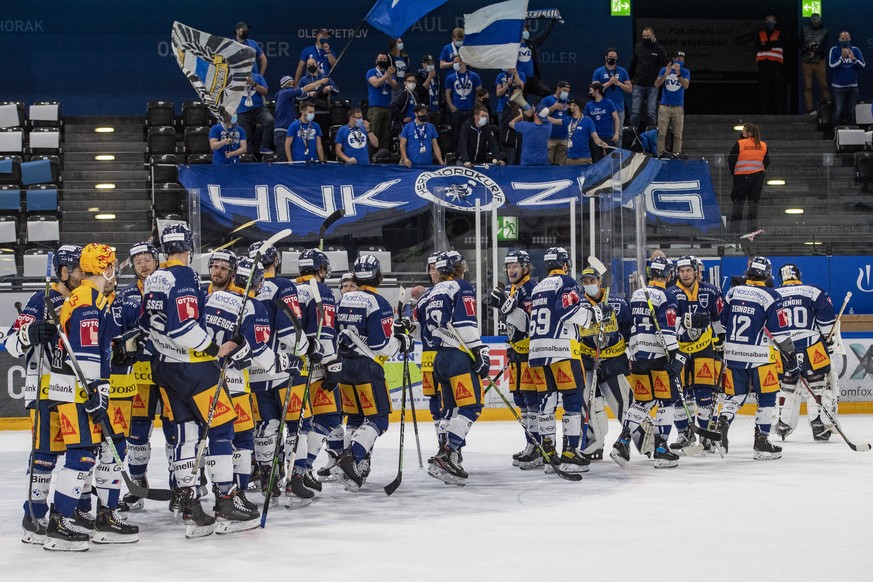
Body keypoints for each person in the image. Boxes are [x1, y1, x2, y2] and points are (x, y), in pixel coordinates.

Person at [142, 224, 256, 537]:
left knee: (185, 437)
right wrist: (216, 347)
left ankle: (190, 505)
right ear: (188, 246)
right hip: (193, 368)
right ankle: (226, 502)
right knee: (221, 430)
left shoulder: (153, 277)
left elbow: (146, 326)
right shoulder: (184, 276)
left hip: (165, 368)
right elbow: (182, 328)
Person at [40, 244, 125, 551]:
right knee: (82, 454)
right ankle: (59, 522)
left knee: (100, 448)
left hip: (76, 388)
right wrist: (98, 391)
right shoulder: (87, 299)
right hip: (77, 390)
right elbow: (86, 351)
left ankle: (93, 515)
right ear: (106, 267)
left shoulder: (87, 297)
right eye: (112, 265)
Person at [5, 245, 81, 544]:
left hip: (73, 390)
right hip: (45, 387)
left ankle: (73, 510)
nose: (82, 274)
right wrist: (29, 333)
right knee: (45, 455)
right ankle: (34, 513)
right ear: (63, 271)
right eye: (77, 270)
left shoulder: (80, 299)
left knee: (78, 451)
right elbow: (12, 342)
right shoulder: (42, 299)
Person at [201, 253, 276, 512]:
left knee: (211, 438)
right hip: (234, 383)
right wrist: (283, 366)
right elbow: (260, 352)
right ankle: (235, 495)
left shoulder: (208, 297)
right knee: (241, 438)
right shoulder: (253, 306)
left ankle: (212, 493)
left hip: (206, 379)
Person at [332, 255, 410, 491]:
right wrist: (402, 341)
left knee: (355, 417)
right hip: (367, 367)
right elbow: (380, 345)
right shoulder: (378, 302)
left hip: (344, 365)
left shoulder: (343, 300)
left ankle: (354, 464)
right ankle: (351, 458)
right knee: (378, 418)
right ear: (378, 275)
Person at [528, 247, 606, 475]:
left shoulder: (538, 286)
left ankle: (548, 453)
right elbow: (567, 311)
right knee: (572, 400)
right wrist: (592, 315)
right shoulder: (566, 282)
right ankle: (571, 451)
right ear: (565, 264)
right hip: (562, 350)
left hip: (537, 352)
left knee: (546, 402)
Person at [717, 257, 798, 460]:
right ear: (768, 275)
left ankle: (723, 422)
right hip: (760, 356)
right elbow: (779, 333)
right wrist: (791, 355)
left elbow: (723, 323)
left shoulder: (733, 292)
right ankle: (761, 442)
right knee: (767, 396)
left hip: (733, 353)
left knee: (735, 396)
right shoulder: (771, 296)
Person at [420, 250, 488, 485]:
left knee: (449, 411)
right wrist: (479, 350)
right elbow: (466, 323)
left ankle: (450, 457)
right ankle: (448, 454)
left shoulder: (431, 293)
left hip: (438, 358)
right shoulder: (461, 287)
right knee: (472, 407)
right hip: (458, 357)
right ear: (456, 267)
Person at [246, 241, 306, 504]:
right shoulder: (283, 285)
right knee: (295, 426)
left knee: (267, 425)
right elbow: (289, 330)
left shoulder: (242, 287)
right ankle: (295, 481)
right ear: (276, 261)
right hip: (283, 369)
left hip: (253, 371)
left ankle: (267, 478)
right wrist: (306, 347)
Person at [610, 256, 684, 469]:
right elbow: (667, 330)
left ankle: (622, 441)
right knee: (666, 402)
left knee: (642, 401)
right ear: (669, 275)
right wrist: (676, 356)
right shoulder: (667, 296)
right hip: (659, 356)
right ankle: (661, 448)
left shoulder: (636, 294)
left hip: (638, 355)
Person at [116, 242, 171, 514]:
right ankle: (136, 483)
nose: (144, 265)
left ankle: (182, 486)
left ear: (157, 259)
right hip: (140, 375)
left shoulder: (171, 288)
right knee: (136, 433)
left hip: (172, 369)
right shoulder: (125, 296)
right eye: (138, 262)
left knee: (176, 430)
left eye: (148, 259)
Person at [286, 249, 341, 505]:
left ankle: (291, 471)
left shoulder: (287, 288)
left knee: (292, 423)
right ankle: (299, 471)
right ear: (321, 269)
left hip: (284, 365)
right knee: (321, 418)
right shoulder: (322, 291)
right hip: (313, 366)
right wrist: (331, 363)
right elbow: (324, 332)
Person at [773, 263, 838, 442]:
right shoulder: (813, 291)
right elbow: (826, 317)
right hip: (811, 344)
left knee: (786, 386)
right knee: (817, 385)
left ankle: (782, 423)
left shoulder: (774, 294)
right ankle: (819, 424)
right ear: (798, 275)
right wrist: (828, 338)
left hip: (784, 347)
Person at [667, 256, 725, 455]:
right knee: (679, 395)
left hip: (703, 348)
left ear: (696, 271)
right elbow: (668, 321)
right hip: (680, 349)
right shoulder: (671, 293)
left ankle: (707, 433)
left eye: (688, 270)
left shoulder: (711, 291)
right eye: (681, 270)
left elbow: (718, 320)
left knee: (704, 394)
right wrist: (685, 321)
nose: (685, 274)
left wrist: (720, 341)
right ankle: (684, 433)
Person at [488, 250, 540, 468]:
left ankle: (538, 446)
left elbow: (530, 321)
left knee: (531, 400)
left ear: (526, 268)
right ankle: (531, 443)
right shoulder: (513, 289)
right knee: (520, 400)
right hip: (517, 353)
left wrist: (508, 303)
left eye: (514, 266)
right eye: (508, 266)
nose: (510, 270)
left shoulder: (531, 289)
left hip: (530, 354)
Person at [577, 266, 635, 461]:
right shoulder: (578, 305)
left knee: (624, 404)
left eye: (592, 281)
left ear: (600, 282)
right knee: (586, 401)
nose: (589, 285)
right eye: (585, 282)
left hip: (613, 360)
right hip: (586, 360)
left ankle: (648, 442)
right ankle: (593, 444)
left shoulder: (618, 303)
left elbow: (629, 330)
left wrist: (628, 353)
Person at [272, 76, 328, 162]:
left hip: (287, 131)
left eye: (292, 84)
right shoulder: (284, 93)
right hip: (282, 131)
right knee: (282, 161)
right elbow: (306, 88)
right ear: (283, 85)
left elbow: (299, 97)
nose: (291, 86)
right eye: (289, 84)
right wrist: (320, 81)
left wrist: (309, 94)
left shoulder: (288, 98)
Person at [728, 123, 770, 234]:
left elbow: (731, 159)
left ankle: (734, 231)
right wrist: (760, 170)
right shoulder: (763, 145)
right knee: (753, 204)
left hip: (741, 177)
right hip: (757, 178)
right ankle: (752, 230)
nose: (742, 133)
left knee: (738, 203)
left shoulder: (740, 144)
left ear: (749, 133)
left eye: (744, 131)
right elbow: (767, 161)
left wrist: (734, 172)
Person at [628, 27, 668, 130]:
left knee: (651, 112)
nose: (645, 38)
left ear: (653, 36)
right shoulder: (638, 47)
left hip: (653, 84)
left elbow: (665, 63)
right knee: (635, 111)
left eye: (648, 36)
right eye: (644, 36)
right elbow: (634, 63)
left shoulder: (658, 49)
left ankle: (651, 133)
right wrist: (629, 78)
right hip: (638, 83)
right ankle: (633, 133)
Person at [548, 99, 607, 165]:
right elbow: (554, 121)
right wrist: (542, 114)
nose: (569, 107)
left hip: (584, 159)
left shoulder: (588, 121)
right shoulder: (568, 120)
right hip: (569, 159)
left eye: (571, 105)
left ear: (576, 107)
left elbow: (596, 139)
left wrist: (602, 143)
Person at [654, 51, 690, 156]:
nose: (680, 61)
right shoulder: (664, 70)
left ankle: (676, 154)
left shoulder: (685, 71)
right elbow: (656, 84)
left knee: (678, 134)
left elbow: (686, 85)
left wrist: (678, 74)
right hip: (665, 106)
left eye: (682, 60)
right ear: (674, 59)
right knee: (661, 133)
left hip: (678, 107)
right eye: (678, 59)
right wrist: (666, 74)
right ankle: (660, 154)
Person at [829, 31, 866, 125]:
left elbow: (862, 65)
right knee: (838, 110)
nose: (845, 40)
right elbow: (831, 65)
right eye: (843, 39)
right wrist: (842, 57)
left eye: (847, 39)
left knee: (851, 111)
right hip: (838, 87)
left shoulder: (856, 50)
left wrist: (853, 59)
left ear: (850, 39)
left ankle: (853, 134)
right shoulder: (834, 49)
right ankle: (833, 133)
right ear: (839, 39)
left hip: (852, 86)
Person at [517, 19, 560, 98]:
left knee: (546, 91)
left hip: (532, 79)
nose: (527, 31)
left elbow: (544, 35)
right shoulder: (513, 46)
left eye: (527, 30)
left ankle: (537, 108)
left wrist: (553, 21)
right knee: (521, 103)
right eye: (524, 30)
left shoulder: (531, 44)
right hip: (519, 80)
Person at [445, 59, 482, 148]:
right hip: (457, 110)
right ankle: (457, 153)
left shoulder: (474, 76)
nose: (455, 63)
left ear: (464, 62)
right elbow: (447, 93)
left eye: (457, 61)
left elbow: (480, 92)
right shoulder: (451, 77)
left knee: (471, 132)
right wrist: (451, 106)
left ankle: (470, 152)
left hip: (470, 109)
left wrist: (476, 106)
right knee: (456, 133)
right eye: (454, 62)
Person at [592, 48, 632, 128]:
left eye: (614, 57)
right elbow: (595, 90)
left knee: (619, 133)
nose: (612, 59)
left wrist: (618, 83)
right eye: (610, 56)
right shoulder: (598, 71)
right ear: (606, 57)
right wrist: (609, 83)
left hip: (619, 107)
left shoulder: (622, 71)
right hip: (603, 107)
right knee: (606, 132)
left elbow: (630, 89)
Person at [366, 54, 398, 152]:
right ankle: (371, 156)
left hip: (387, 107)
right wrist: (387, 75)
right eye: (380, 59)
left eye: (385, 59)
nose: (383, 61)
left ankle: (383, 156)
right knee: (374, 133)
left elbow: (395, 86)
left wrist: (388, 76)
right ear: (376, 61)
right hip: (375, 107)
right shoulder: (371, 72)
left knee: (386, 135)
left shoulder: (389, 73)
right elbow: (375, 83)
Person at [236, 73, 274, 155]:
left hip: (258, 108)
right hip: (242, 110)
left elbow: (265, 92)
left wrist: (254, 84)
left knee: (270, 121)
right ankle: (248, 159)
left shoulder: (258, 77)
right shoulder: (235, 77)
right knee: (245, 138)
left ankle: (264, 146)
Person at [801, 13, 830, 114]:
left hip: (820, 60)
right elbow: (800, 42)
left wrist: (815, 53)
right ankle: (809, 110)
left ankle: (827, 108)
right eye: (813, 22)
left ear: (820, 21)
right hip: (806, 60)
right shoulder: (804, 29)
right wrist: (807, 50)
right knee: (808, 86)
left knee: (824, 85)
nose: (815, 24)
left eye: (816, 22)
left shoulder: (825, 30)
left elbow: (824, 45)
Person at [756, 15, 785, 114]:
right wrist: (772, 44)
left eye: (772, 21)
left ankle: (779, 112)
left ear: (775, 22)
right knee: (763, 89)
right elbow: (757, 46)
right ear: (765, 21)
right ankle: (764, 112)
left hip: (776, 65)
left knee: (777, 89)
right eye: (768, 21)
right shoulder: (760, 33)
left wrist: (765, 45)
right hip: (763, 64)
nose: (770, 23)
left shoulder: (780, 33)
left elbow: (780, 43)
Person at [584, 82, 620, 162]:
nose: (590, 93)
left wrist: (616, 133)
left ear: (596, 91)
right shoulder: (589, 105)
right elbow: (586, 120)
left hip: (608, 135)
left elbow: (616, 118)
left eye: (591, 90)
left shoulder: (608, 102)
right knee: (597, 160)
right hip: (595, 136)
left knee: (612, 160)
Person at [539, 81, 571, 164]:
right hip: (550, 137)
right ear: (558, 88)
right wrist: (553, 107)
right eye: (564, 90)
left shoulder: (568, 102)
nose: (566, 93)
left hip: (564, 137)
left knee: (561, 165)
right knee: (547, 163)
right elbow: (540, 115)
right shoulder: (547, 99)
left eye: (568, 91)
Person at [415, 55, 441, 126]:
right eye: (428, 63)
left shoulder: (437, 77)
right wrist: (429, 77)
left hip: (436, 109)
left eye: (432, 63)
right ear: (423, 64)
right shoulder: (419, 75)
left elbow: (439, 92)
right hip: (425, 109)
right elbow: (420, 91)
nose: (431, 65)